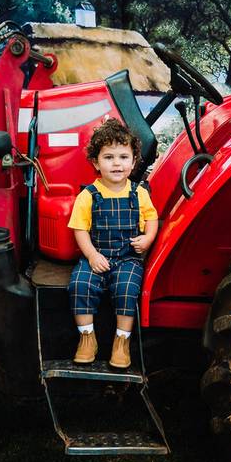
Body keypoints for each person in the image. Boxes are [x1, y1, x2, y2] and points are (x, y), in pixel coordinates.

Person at [67, 118, 159, 368]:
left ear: (133, 160)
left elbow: (152, 218)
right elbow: (80, 230)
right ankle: (87, 338)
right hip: (97, 255)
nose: (117, 163)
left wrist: (148, 239)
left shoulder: (139, 193)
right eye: (109, 157)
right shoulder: (88, 196)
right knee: (80, 284)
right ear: (96, 163)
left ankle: (122, 341)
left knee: (127, 289)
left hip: (128, 256)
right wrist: (92, 256)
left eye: (123, 157)